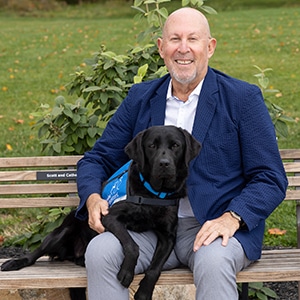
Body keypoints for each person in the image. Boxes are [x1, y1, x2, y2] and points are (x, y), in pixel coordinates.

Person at [75, 7, 288, 299]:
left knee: (214, 263)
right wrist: (91, 197)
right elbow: (97, 159)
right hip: (148, 226)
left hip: (210, 227)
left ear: (210, 47)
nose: (183, 49)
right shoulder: (140, 98)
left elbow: (270, 177)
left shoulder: (242, 99)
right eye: (175, 39)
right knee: (101, 251)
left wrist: (233, 217)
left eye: (193, 39)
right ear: (162, 48)